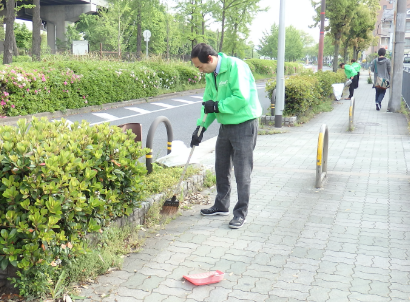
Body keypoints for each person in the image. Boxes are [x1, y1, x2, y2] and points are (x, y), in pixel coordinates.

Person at [190, 43, 262, 229]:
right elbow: (208, 105)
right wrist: (200, 128)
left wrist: (218, 106)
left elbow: (241, 98)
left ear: (211, 59)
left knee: (242, 171)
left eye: (200, 66)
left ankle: (240, 213)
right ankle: (221, 205)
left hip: (244, 124)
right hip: (226, 125)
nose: (200, 70)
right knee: (221, 166)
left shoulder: (235, 67)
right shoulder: (210, 75)